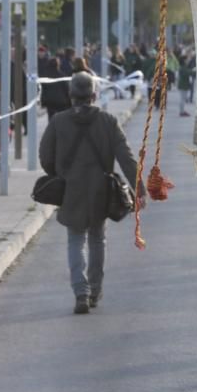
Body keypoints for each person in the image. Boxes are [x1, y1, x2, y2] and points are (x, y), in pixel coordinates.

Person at [39, 73, 142, 314]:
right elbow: (126, 157)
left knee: (75, 240)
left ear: (70, 95)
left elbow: (45, 156)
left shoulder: (58, 121)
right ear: (94, 95)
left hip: (70, 189)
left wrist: (58, 173)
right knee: (97, 238)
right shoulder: (108, 121)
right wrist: (139, 190)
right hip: (100, 190)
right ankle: (95, 289)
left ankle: (80, 292)